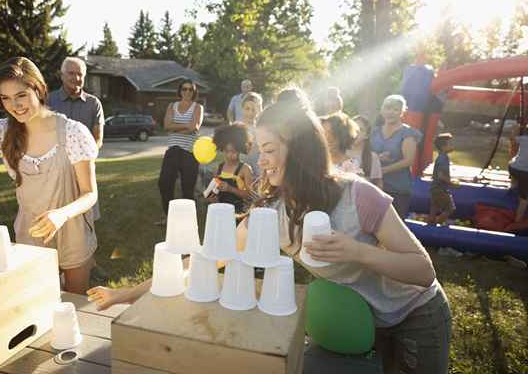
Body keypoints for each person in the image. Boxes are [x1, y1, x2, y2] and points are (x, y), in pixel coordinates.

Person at [88, 95, 451, 374]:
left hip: (416, 314)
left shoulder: (358, 196)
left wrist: (357, 252)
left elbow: (423, 271)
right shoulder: (272, 214)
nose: (260, 161)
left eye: (269, 150)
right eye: (259, 151)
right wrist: (125, 295)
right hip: (362, 322)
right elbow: (204, 259)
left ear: (302, 149)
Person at [0, 57, 98, 294]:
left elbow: (89, 194)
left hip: (73, 234)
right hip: (29, 236)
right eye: (6, 98)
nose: (15, 105)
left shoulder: (73, 132)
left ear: (39, 89)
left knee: (75, 304)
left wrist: (61, 215)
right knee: (36, 304)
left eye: (21, 95)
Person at [157, 79, 203, 225]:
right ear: (180, 91)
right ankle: (168, 216)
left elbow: (194, 127)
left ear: (194, 92)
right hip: (173, 150)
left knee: (187, 188)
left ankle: (188, 220)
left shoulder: (198, 107)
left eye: (190, 90)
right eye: (184, 89)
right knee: (164, 183)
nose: (187, 92)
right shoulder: (172, 106)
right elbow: (166, 125)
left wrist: (174, 126)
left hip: (189, 152)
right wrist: (184, 126)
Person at [370, 95, 422, 218]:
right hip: (374, 185)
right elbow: (367, 154)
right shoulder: (374, 131)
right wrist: (377, 157)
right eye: (387, 108)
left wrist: (382, 170)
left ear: (402, 112)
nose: (390, 112)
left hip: (397, 188)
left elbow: (408, 161)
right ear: (382, 110)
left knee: (395, 225)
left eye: (395, 109)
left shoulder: (408, 133)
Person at [48, 57, 105, 149]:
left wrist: (84, 157)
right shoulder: (49, 101)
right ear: (62, 76)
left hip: (85, 160)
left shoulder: (93, 104)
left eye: (80, 74)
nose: (76, 78)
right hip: (55, 161)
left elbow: (97, 140)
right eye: (71, 73)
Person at [206, 123, 254, 214]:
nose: (229, 155)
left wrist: (230, 189)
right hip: (220, 211)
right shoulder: (218, 169)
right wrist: (211, 198)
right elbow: (213, 192)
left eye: (233, 152)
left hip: (238, 212)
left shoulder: (245, 169)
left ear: (240, 149)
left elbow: (249, 195)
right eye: (226, 151)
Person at [428, 133, 457, 225]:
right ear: (444, 147)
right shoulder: (443, 158)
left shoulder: (440, 157)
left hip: (434, 188)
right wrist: (452, 182)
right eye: (450, 143)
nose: (453, 145)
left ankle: (430, 226)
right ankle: (437, 225)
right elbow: (441, 175)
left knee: (434, 208)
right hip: (441, 189)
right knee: (450, 208)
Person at [350, 115, 383, 188]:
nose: (356, 133)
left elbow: (378, 185)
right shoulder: (339, 153)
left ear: (367, 135)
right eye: (353, 128)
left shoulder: (372, 157)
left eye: (360, 130)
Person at [508, 123, 528, 222]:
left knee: (513, 163)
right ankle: (517, 221)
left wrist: (516, 128)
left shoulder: (524, 138)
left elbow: (512, 139)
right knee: (524, 199)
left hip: (514, 169)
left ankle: (513, 185)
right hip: (524, 173)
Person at [241, 92, 263, 177]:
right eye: (247, 108)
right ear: (242, 108)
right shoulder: (237, 127)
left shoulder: (260, 129)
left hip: (256, 171)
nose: (250, 113)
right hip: (239, 170)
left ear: (259, 110)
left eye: (254, 109)